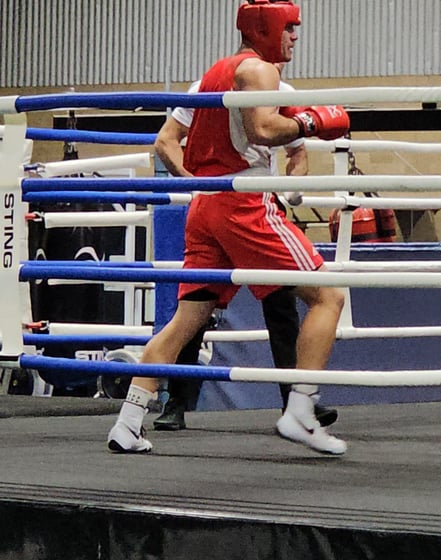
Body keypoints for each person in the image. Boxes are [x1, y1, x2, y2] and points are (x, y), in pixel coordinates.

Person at [107, 0, 350, 455]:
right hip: (243, 203)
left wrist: (198, 183)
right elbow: (260, 130)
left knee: (187, 321)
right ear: (267, 29)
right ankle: (301, 408)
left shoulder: (213, 72)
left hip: (207, 206)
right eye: (290, 28)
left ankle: (128, 420)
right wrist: (312, 121)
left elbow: (170, 139)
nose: (295, 37)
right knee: (329, 295)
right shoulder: (259, 72)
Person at [151, 68, 337, 432]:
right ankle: (177, 401)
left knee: (267, 304)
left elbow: (298, 154)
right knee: (198, 307)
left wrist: (285, 190)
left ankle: (295, 402)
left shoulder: (282, 91)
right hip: (231, 206)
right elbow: (166, 140)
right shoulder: (204, 89)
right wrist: (196, 183)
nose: (292, 40)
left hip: (249, 204)